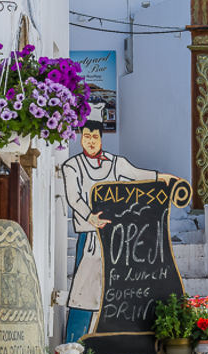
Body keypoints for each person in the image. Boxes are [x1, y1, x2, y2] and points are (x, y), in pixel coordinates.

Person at [61, 107, 173, 340]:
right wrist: (90, 216)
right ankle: (74, 346)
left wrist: (162, 178)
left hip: (115, 239)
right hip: (91, 239)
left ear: (101, 137)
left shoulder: (114, 163)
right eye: (86, 136)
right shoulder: (72, 166)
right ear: (81, 137)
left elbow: (135, 173)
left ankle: (108, 342)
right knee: (83, 293)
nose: (91, 141)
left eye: (95, 136)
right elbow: (74, 197)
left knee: (114, 294)